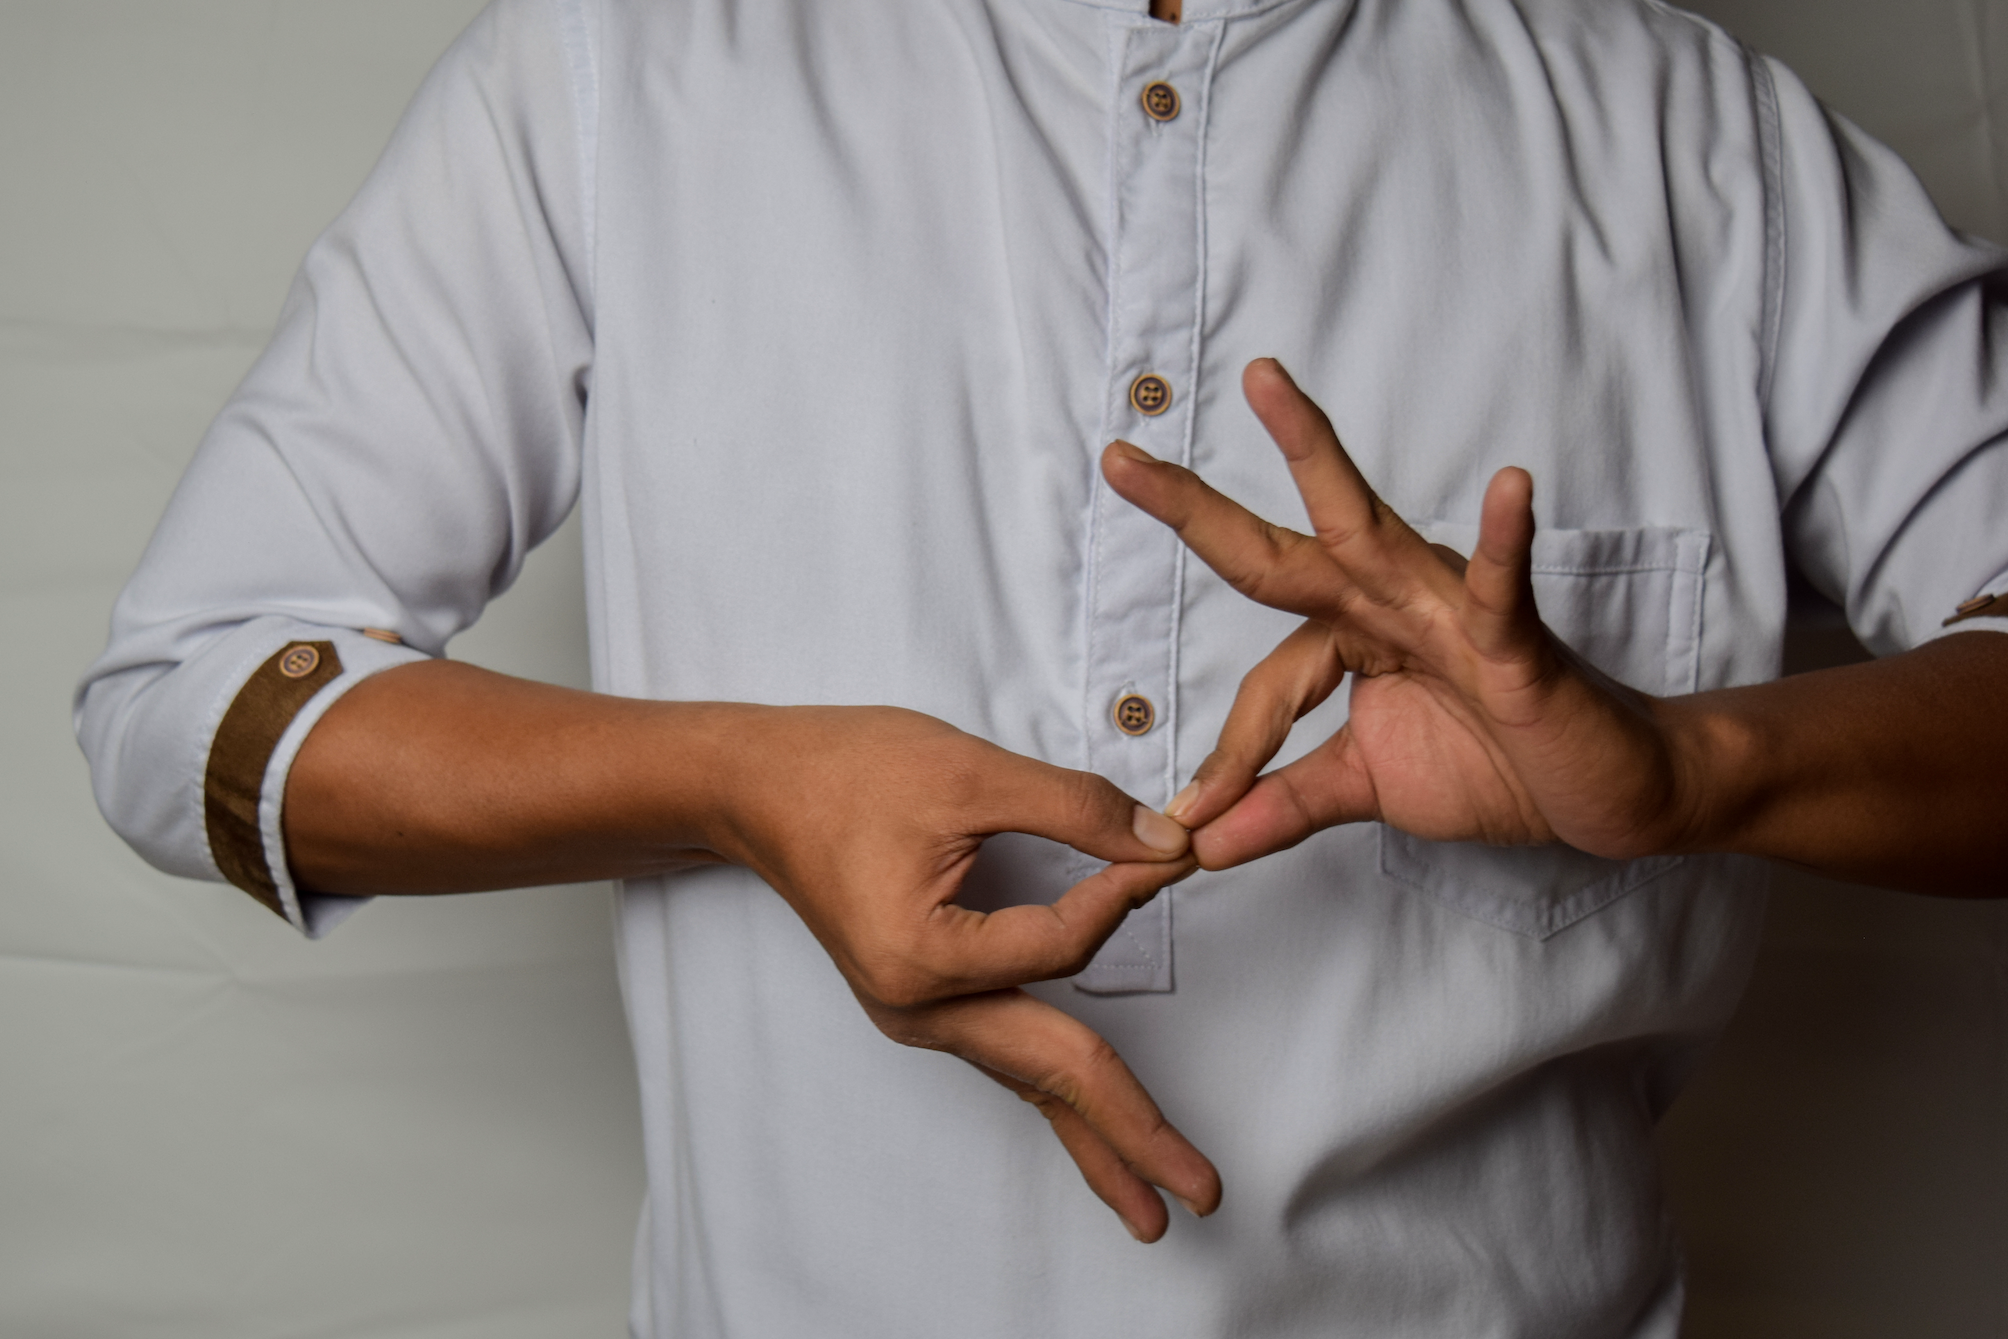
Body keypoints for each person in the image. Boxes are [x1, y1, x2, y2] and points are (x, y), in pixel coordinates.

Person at [76, 0, 2008, 1333]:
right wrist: (738, 781)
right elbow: (189, 703)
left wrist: (1694, 766)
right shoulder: (632, 64)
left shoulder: (1699, 139)